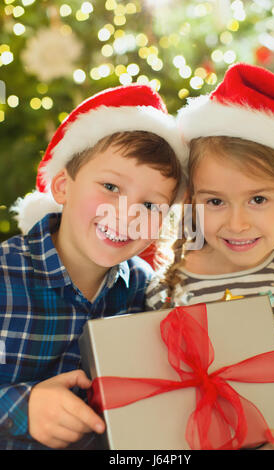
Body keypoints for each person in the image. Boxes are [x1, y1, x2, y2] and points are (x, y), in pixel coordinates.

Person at [0, 84, 188, 450]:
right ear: (62, 187)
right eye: (110, 186)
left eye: (151, 205)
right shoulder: (5, 277)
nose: (126, 213)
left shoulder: (145, 292)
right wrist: (22, 407)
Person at [146, 63, 274, 449]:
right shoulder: (164, 291)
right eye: (215, 201)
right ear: (189, 199)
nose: (237, 223)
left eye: (258, 199)